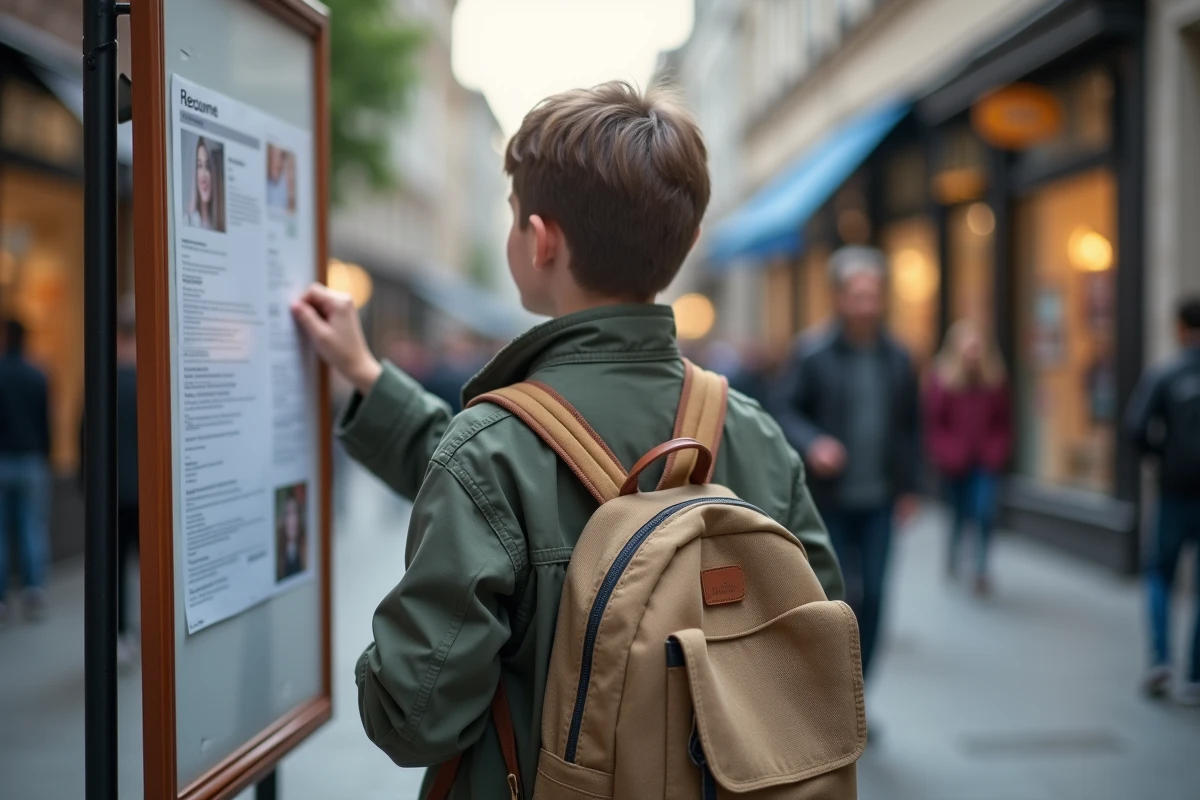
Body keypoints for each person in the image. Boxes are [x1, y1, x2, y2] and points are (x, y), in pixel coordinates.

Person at [291, 81, 843, 796]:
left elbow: (415, 715)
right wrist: (369, 374)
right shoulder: (754, 433)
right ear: (687, 245)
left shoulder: (489, 448)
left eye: (516, 217)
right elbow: (820, 634)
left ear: (540, 240)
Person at [771, 245, 920, 681]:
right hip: (829, 500)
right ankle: (828, 689)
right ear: (838, 298)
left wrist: (911, 488)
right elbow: (782, 409)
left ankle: (859, 692)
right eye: (858, 295)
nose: (867, 304)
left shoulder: (898, 357)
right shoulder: (813, 354)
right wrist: (814, 442)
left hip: (880, 499)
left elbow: (911, 426)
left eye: (874, 294)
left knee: (873, 595)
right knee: (833, 596)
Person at [1126, 296, 1200, 704]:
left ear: (1179, 328)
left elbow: (1135, 428)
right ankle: (1196, 674)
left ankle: (1160, 660)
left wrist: (1160, 459)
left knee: (1159, 575)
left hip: (1172, 492)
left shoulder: (1164, 373)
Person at [924, 320, 1011, 595]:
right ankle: (954, 554)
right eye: (968, 348)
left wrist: (997, 452)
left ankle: (980, 568)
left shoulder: (995, 380)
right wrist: (946, 453)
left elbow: (1004, 422)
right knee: (959, 513)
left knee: (984, 511)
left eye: (977, 348)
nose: (973, 354)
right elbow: (933, 423)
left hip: (985, 463)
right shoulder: (943, 380)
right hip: (956, 464)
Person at [0, 319, 51, 625]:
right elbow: (45, 423)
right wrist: (45, 455)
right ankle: (34, 590)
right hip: (32, 460)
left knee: (1, 532)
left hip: (3, 460)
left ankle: (2, 598)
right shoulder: (37, 376)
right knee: (32, 527)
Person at [115, 304, 140, 664]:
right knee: (152, 569)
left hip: (113, 491)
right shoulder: (152, 378)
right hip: (150, 495)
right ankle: (154, 635)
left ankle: (121, 634)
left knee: (117, 566)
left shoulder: (103, 376)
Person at [184, 136, 223, 231]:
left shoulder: (220, 227)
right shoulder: (187, 222)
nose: (203, 175)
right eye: (199, 166)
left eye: (208, 167)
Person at [276, 489, 306, 581]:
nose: (292, 520)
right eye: (288, 514)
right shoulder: (278, 554)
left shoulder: (305, 548)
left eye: (294, 513)